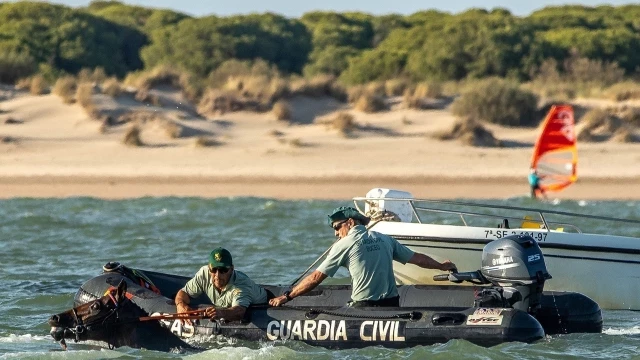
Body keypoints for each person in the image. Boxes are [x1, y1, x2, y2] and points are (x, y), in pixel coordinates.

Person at [269, 206, 457, 308]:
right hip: (392, 304)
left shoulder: (344, 245)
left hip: (365, 306)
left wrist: (287, 296)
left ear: (350, 222)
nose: (335, 233)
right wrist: (441, 266)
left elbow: (316, 278)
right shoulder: (384, 239)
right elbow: (416, 258)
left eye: (336, 227)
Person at [175, 247, 268, 324]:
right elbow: (183, 293)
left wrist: (221, 313)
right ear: (209, 268)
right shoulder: (204, 273)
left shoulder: (241, 285)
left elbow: (239, 311)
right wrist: (180, 305)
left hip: (263, 305)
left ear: (231, 269)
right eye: (214, 270)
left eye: (223, 270)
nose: (217, 275)